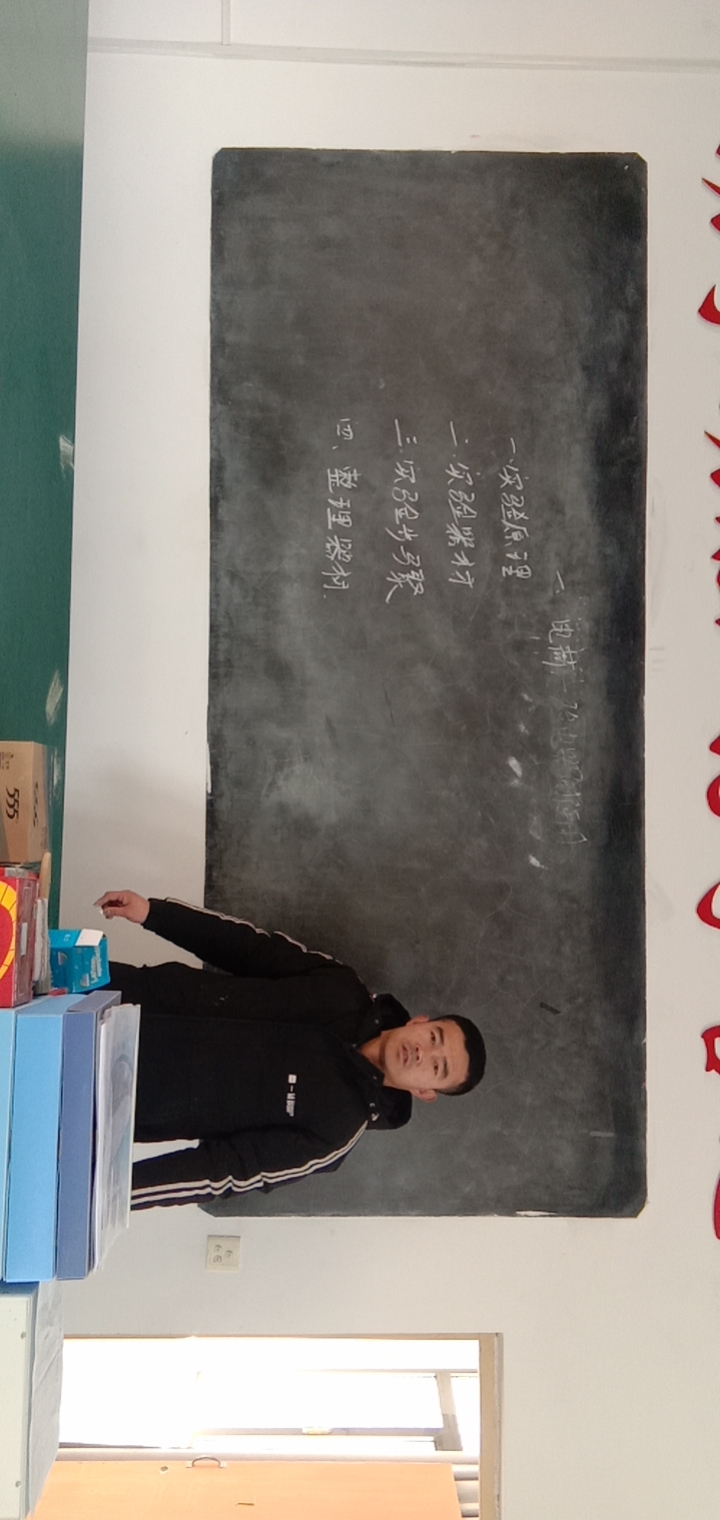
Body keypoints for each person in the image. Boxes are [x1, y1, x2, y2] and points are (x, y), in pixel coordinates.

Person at [96, 890, 487, 1211]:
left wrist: (111, 1193)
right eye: (434, 1038)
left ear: (424, 1092)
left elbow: (221, 1172)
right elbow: (248, 948)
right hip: (118, 993)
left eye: (437, 1068)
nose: (422, 1054)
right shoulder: (342, 986)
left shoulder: (334, 1132)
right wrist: (154, 914)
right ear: (420, 1022)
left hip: (112, 1092)